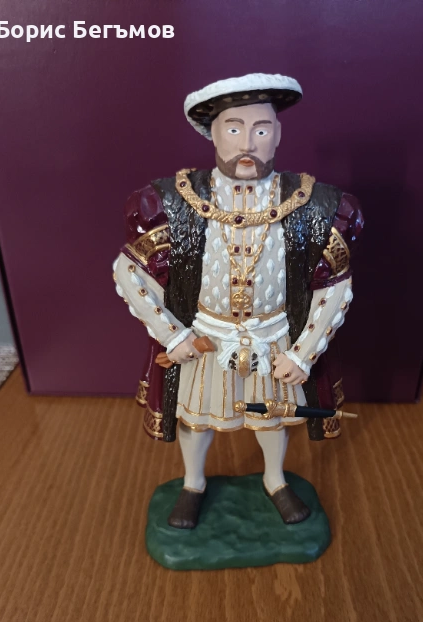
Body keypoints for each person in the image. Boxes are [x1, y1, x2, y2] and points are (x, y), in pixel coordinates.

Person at [113, 73, 363, 529]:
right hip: (205, 339)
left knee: (272, 419)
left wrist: (303, 354)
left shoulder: (315, 207)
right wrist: (174, 336)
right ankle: (193, 482)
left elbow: (334, 287)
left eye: (261, 129)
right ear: (213, 134)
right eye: (234, 128)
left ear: (278, 135)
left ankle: (274, 479)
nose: (247, 142)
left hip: (274, 339)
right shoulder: (172, 204)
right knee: (196, 419)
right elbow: (130, 272)